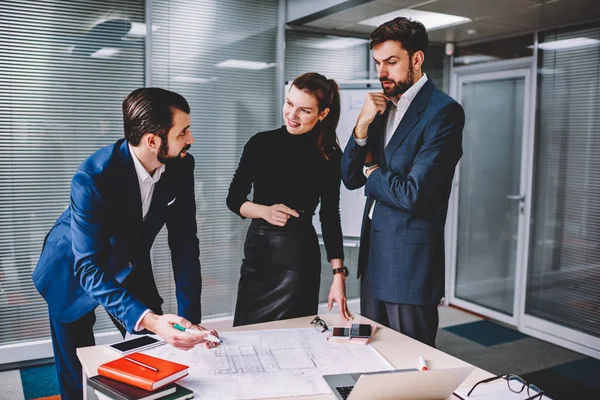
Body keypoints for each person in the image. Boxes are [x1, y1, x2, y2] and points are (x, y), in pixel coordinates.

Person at [32, 88, 218, 399]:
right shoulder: (94, 177)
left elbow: (185, 243)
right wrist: (152, 320)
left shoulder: (181, 165)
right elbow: (88, 266)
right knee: (77, 375)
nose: (191, 138)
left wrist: (190, 323)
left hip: (129, 262)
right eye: (183, 131)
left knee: (159, 351)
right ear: (152, 140)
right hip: (72, 270)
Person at [341, 17, 464, 347]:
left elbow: (415, 194)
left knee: (412, 366)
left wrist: (374, 173)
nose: (382, 72)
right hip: (374, 260)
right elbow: (350, 177)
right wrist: (362, 126)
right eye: (378, 63)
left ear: (417, 59)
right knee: (374, 356)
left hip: (409, 267)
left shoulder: (443, 113)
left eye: (391, 62)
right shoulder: (380, 107)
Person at [226, 72, 353, 326]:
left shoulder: (329, 156)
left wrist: (338, 274)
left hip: (298, 258)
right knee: (248, 333)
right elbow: (234, 199)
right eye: (289, 103)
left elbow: (329, 216)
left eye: (304, 110)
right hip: (259, 254)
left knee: (294, 336)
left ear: (323, 114)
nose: (292, 115)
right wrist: (264, 211)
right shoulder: (260, 143)